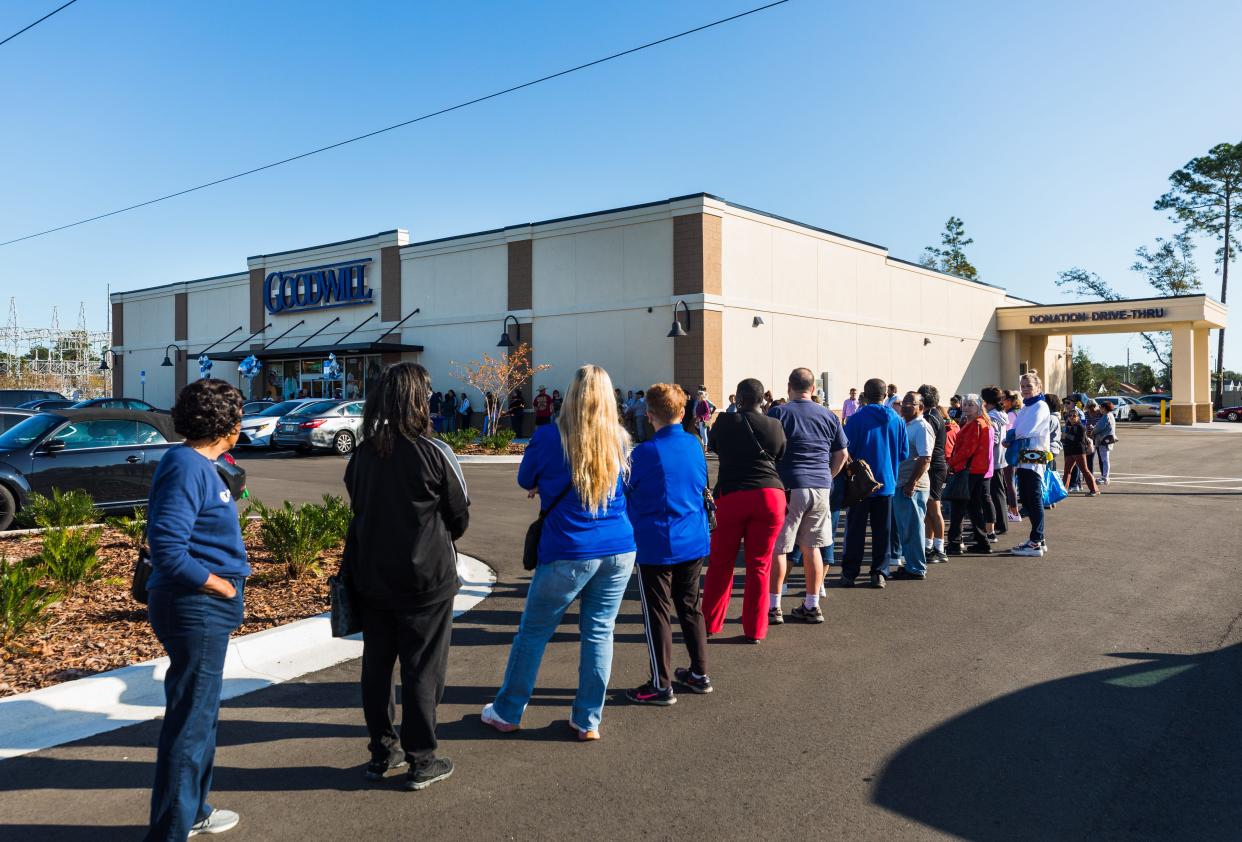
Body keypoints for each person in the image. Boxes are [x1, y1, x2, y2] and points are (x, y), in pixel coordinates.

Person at [483, 365, 635, 741]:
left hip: (568, 548)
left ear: (570, 396)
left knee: (533, 633)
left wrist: (544, 486)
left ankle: (507, 711)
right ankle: (587, 720)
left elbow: (525, 479)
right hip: (618, 548)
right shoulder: (619, 439)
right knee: (599, 633)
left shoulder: (551, 437)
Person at [346, 362, 469, 791]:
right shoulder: (434, 451)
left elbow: (357, 508)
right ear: (418, 398)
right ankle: (422, 759)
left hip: (372, 579)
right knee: (423, 669)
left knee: (376, 669)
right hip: (426, 581)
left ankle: (382, 752)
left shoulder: (362, 453)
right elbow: (459, 516)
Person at [145, 378, 249, 839]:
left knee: (199, 717)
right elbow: (167, 548)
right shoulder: (187, 467)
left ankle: (195, 810)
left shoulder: (199, 464)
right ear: (227, 425)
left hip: (201, 608)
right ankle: (170, 830)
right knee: (190, 724)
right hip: (196, 607)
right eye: (238, 418)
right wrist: (222, 588)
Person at [623, 383, 712, 705]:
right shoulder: (693, 445)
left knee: (658, 612)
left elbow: (625, 490)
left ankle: (661, 683)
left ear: (649, 415)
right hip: (693, 537)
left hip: (657, 540)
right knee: (690, 606)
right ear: (683, 411)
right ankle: (699, 672)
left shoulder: (644, 452)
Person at [701, 378, 787, 643]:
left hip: (732, 495)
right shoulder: (775, 424)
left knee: (720, 563)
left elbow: (713, 447)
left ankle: (710, 623)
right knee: (759, 565)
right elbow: (780, 454)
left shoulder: (726, 423)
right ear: (762, 400)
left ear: (738, 398)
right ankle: (755, 630)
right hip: (771, 496)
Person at [766, 367, 848, 624]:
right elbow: (842, 454)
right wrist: (829, 476)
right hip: (821, 486)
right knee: (812, 546)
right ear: (813, 389)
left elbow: (769, 450)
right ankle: (812, 604)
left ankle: (773, 606)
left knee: (779, 547)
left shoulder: (779, 413)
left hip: (790, 484)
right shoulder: (828, 416)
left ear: (788, 387)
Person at [841, 379, 909, 588]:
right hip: (887, 481)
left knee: (855, 529)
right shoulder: (897, 420)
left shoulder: (856, 419)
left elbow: (846, 452)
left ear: (865, 395)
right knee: (883, 531)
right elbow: (904, 452)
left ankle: (850, 573)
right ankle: (879, 572)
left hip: (860, 484)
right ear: (885, 395)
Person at [1007, 371, 1051, 557]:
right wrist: (1012, 434)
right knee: (1026, 496)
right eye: (1023, 386)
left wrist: (1009, 437)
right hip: (1024, 456)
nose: (1025, 390)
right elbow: (1017, 428)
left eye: (1029, 386)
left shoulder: (1040, 406)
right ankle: (1038, 539)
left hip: (1034, 456)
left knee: (1033, 498)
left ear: (1038, 387)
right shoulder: (1026, 407)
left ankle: (1036, 540)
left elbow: (1024, 429)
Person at [945, 394, 995, 555]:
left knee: (959, 507)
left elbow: (967, 450)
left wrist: (951, 463)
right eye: (965, 404)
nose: (966, 407)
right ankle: (982, 542)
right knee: (973, 507)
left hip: (968, 470)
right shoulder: (978, 422)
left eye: (970, 405)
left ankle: (954, 542)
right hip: (976, 470)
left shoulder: (976, 424)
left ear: (979, 406)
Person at [892, 391, 934, 579]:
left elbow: (925, 458)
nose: (905, 405)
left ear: (921, 407)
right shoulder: (906, 425)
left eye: (911, 403)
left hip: (913, 485)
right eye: (904, 402)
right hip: (902, 483)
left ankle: (916, 568)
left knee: (913, 527)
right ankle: (911, 563)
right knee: (905, 527)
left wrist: (912, 483)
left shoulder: (922, 427)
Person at [918, 385, 949, 563]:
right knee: (928, 509)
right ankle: (928, 545)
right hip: (936, 465)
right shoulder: (935, 415)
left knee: (934, 508)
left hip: (934, 467)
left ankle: (939, 548)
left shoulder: (929, 418)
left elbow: (926, 449)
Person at [981, 387, 1009, 541]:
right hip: (1000, 458)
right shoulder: (1001, 414)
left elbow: (995, 439)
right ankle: (1000, 523)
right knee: (998, 491)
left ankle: (1000, 524)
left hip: (993, 460)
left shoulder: (992, 416)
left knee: (995, 493)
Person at [1061, 408, 1099, 496]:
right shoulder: (1066, 427)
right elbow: (1064, 439)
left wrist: (1067, 436)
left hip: (1078, 451)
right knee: (1067, 471)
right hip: (1069, 451)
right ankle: (1063, 490)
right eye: (1070, 416)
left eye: (1074, 416)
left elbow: (1079, 440)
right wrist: (1063, 438)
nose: (1071, 417)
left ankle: (1094, 490)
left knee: (1084, 470)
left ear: (1078, 417)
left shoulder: (1080, 427)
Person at [1091, 401, 1117, 485]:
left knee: (1105, 460)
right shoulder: (1110, 415)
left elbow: (1098, 428)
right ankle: (1105, 477)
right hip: (1107, 440)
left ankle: (1105, 478)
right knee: (1105, 459)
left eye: (1101, 407)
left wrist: (1092, 430)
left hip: (1103, 440)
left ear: (1104, 408)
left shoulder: (1106, 416)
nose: (1100, 409)